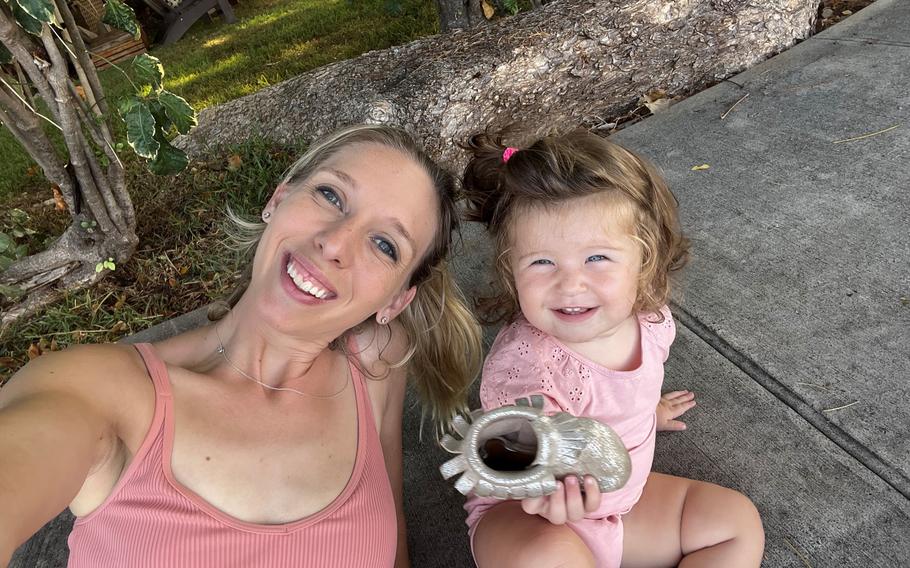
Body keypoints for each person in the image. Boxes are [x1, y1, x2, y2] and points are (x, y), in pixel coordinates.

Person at [0, 125, 483, 568]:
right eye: (331, 195)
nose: (336, 244)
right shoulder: (99, 391)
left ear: (395, 300)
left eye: (385, 245)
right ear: (279, 199)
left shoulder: (376, 361)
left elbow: (391, 537)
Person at [459, 130, 764, 568]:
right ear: (510, 270)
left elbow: (625, 395)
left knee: (734, 521)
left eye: (597, 258)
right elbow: (511, 451)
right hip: (531, 519)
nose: (570, 284)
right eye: (542, 262)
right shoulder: (525, 366)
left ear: (646, 259)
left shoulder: (652, 320)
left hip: (620, 504)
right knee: (546, 557)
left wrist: (645, 416)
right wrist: (541, 489)